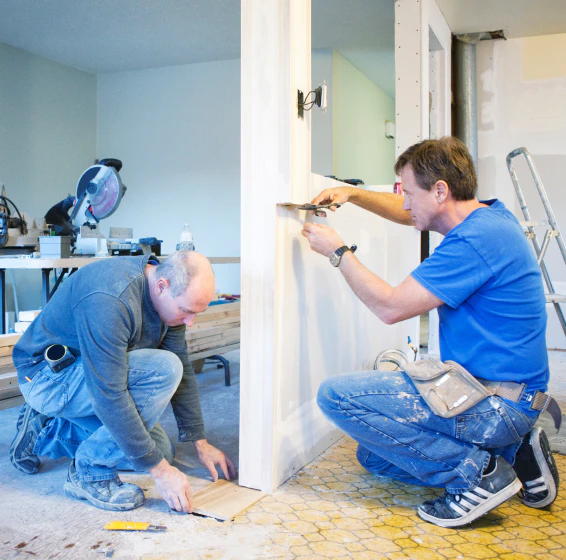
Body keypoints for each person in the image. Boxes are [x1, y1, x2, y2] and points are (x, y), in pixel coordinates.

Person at [301, 137, 559, 528]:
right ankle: (513, 452)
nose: (404, 203)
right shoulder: (488, 218)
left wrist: (338, 251)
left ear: (440, 190)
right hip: (497, 390)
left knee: (335, 397)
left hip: (494, 401)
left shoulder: (474, 241)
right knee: (372, 456)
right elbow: (413, 214)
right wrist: (353, 193)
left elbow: (390, 307)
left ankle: (479, 474)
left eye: (409, 192)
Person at [9, 251, 236, 513]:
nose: (190, 321)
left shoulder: (169, 300)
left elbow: (184, 369)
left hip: (90, 374)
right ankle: (89, 473)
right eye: (186, 311)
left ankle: (49, 428)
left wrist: (200, 441)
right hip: (47, 378)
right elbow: (109, 394)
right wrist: (161, 473)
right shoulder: (110, 298)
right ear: (162, 286)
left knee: (160, 450)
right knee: (163, 370)